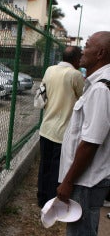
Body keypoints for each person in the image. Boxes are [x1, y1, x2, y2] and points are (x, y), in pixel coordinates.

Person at [57, 31, 110, 235]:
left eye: (87, 45)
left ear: (100, 53)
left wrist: (68, 182)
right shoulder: (98, 84)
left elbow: (90, 143)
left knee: (81, 232)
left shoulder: (100, 89)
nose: (82, 50)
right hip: (86, 179)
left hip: (85, 181)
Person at [37, 46, 84, 208]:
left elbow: (43, 93)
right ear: (76, 59)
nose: (82, 61)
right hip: (62, 132)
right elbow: (84, 97)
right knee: (56, 170)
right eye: (80, 57)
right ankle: (51, 202)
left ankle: (41, 198)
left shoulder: (49, 70)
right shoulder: (75, 75)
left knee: (44, 165)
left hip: (46, 127)